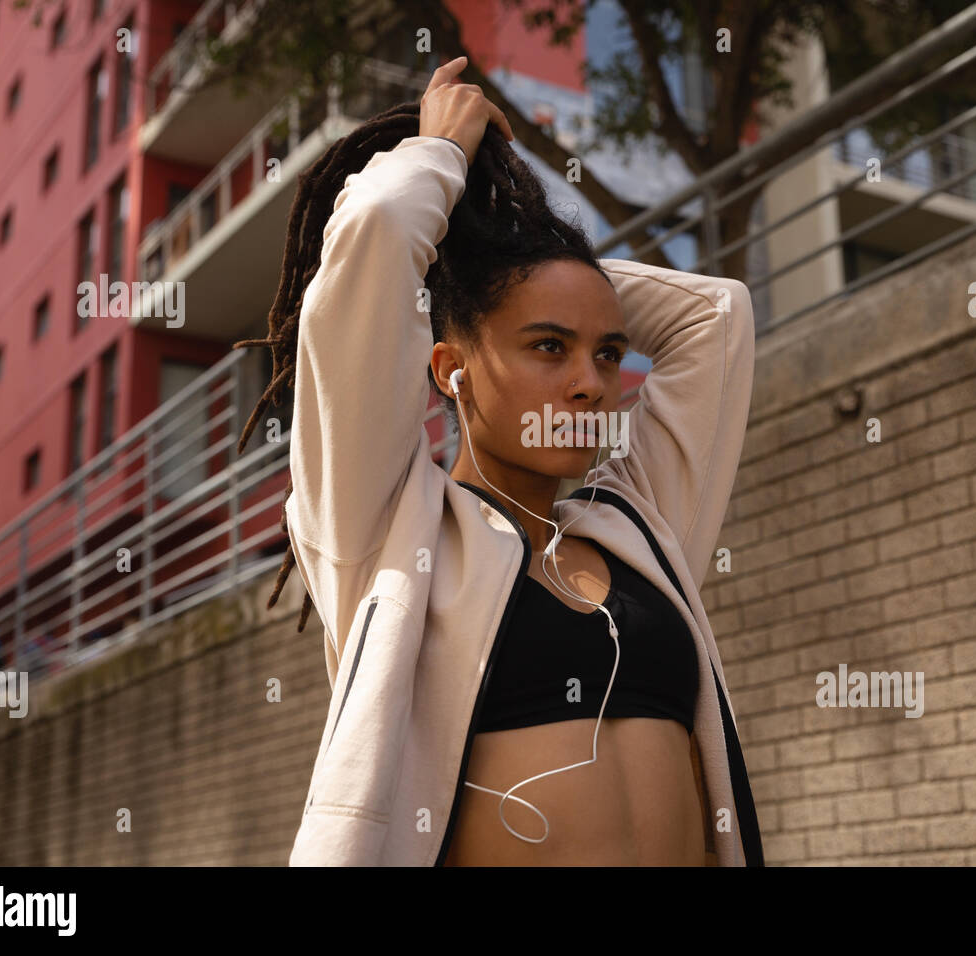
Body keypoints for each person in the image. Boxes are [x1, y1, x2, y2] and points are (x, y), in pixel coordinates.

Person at [233, 55, 763, 866]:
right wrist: (445, 180)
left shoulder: (641, 531)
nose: (591, 385)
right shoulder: (386, 534)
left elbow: (717, 316)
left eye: (610, 352)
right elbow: (376, 228)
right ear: (449, 369)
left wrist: (520, 271)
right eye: (549, 346)